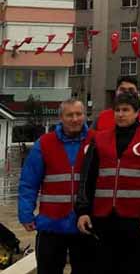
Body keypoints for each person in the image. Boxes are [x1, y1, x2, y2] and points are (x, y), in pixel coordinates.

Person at [76, 91, 140, 274]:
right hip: (103, 217)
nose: (120, 114)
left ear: (137, 112)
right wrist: (83, 211)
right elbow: (87, 177)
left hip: (137, 218)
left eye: (125, 110)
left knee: (135, 267)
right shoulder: (99, 139)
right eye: (117, 110)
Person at [18, 99, 93, 274]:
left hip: (86, 224)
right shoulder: (44, 144)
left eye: (79, 114)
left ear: (85, 115)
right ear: (61, 118)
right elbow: (29, 182)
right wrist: (25, 213)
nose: (75, 119)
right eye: (69, 115)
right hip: (51, 224)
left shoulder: (96, 141)